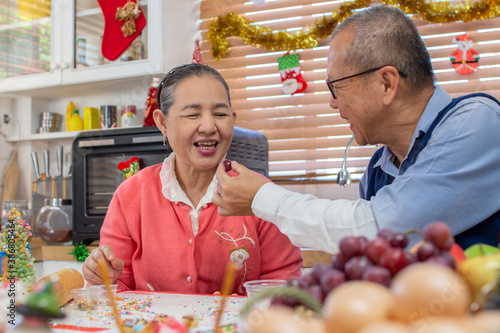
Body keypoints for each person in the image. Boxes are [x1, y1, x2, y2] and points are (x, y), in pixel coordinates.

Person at [212, 5, 500, 253]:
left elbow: (382, 228)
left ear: (386, 83)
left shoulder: (478, 122)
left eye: (336, 87)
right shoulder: (378, 170)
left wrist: (263, 197)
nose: (332, 103)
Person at [82, 63, 303, 294]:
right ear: (162, 123)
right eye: (192, 114)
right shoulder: (130, 195)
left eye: (220, 114)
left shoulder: (261, 194)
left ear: (233, 119)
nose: (209, 126)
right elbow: (113, 292)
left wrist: (235, 309)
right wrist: (103, 279)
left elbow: (285, 287)